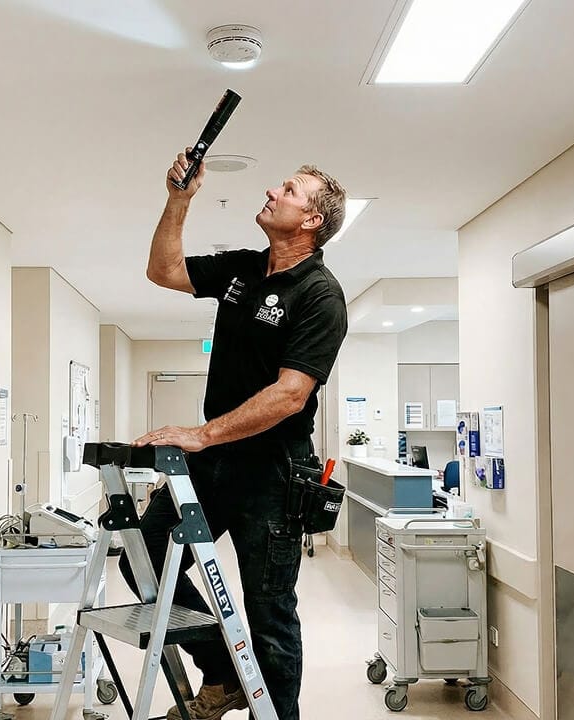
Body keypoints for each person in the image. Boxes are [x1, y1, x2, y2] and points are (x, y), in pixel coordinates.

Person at [120, 149, 349, 720]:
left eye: (290, 190)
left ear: (312, 220)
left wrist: (200, 434)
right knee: (141, 554)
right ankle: (223, 671)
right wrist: (180, 199)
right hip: (213, 464)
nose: (273, 191)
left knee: (268, 611)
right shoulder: (243, 270)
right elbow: (164, 272)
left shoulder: (320, 295)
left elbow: (290, 395)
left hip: (273, 472)